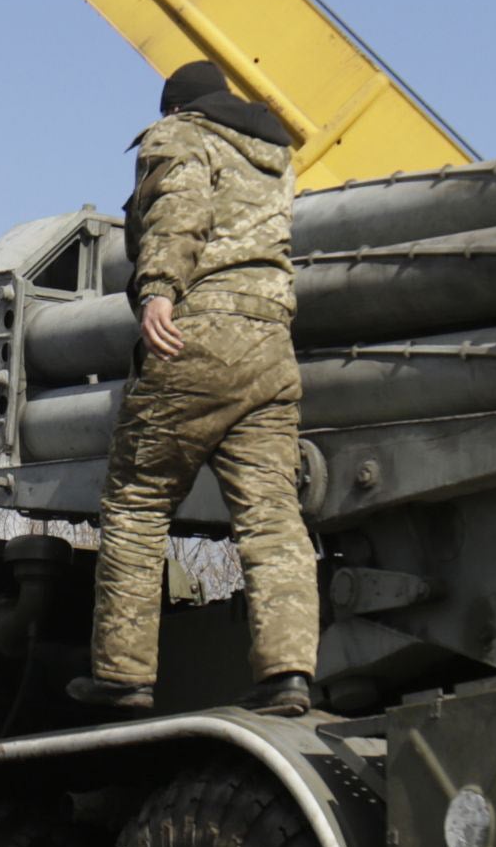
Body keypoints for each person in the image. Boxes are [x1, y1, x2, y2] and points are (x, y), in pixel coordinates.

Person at [67, 59, 321, 719]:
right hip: (270, 344)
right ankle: (288, 673)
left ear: (178, 109)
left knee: (136, 498)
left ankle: (124, 675)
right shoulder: (273, 155)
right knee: (271, 516)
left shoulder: (180, 135)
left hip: (198, 334)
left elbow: (180, 211)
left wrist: (157, 292)